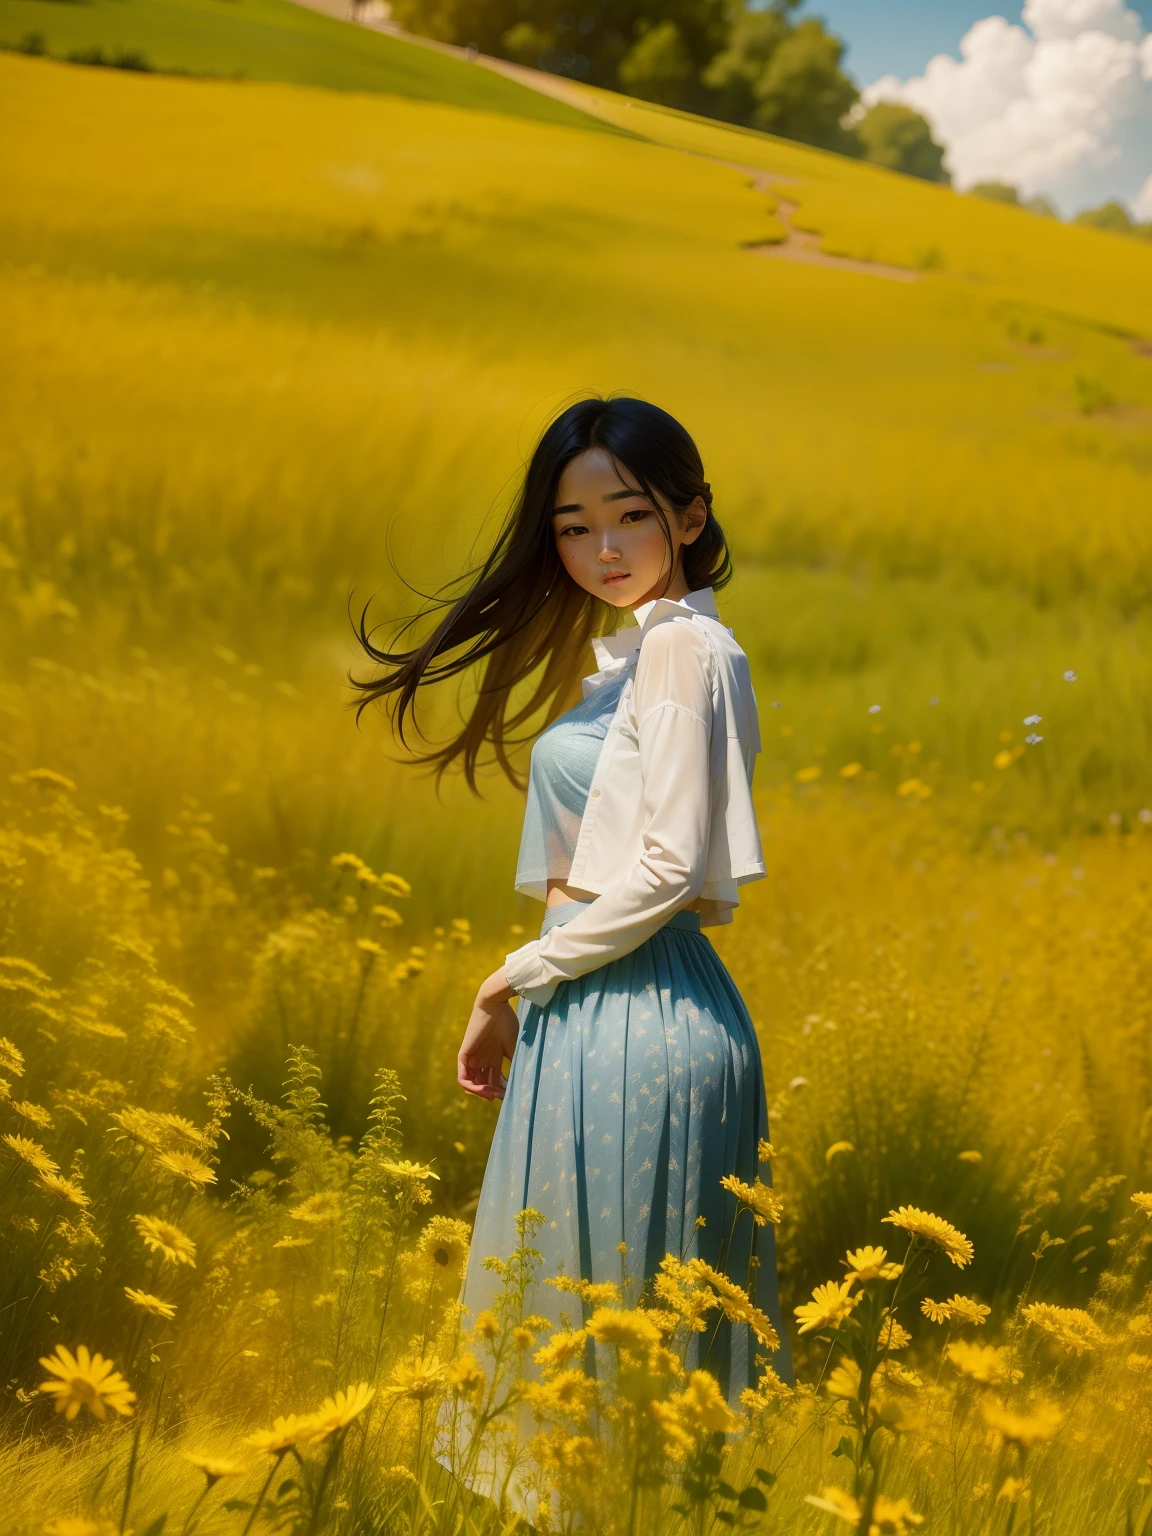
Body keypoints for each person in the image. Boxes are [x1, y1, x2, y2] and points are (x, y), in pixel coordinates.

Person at [353, 395, 791, 1516]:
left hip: (635, 1011)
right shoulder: (637, 660)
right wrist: (530, 983)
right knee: (584, 1335)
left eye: (630, 515)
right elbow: (582, 866)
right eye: (571, 525)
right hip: (596, 1005)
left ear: (690, 517)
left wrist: (516, 973)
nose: (601, 548)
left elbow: (663, 867)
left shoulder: (684, 649)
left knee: (610, 1344)